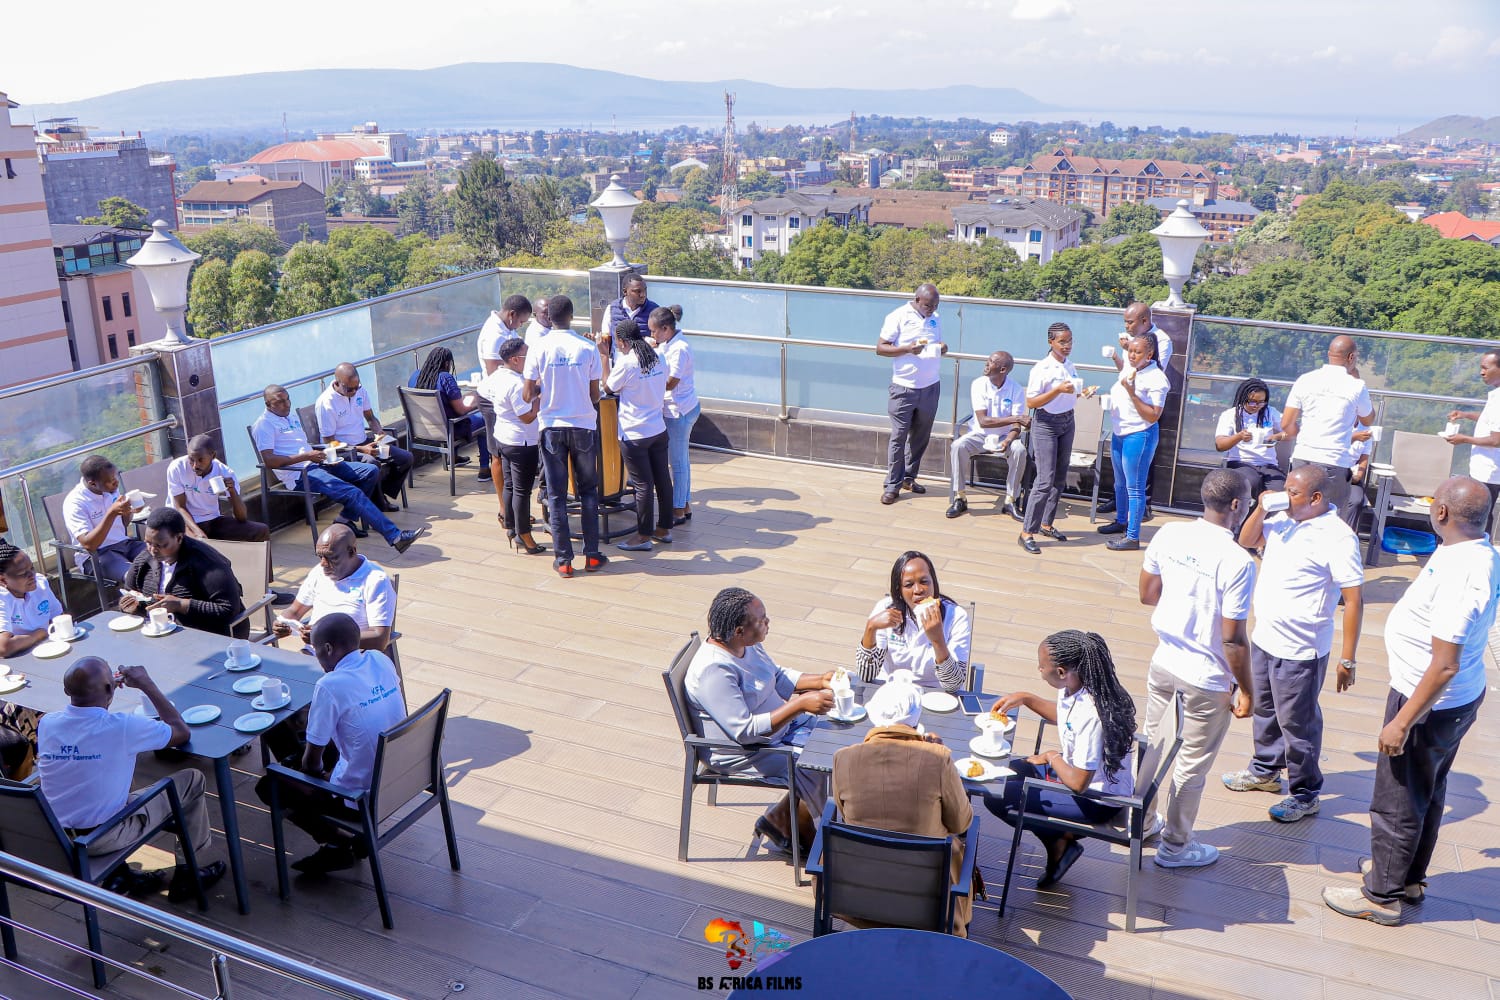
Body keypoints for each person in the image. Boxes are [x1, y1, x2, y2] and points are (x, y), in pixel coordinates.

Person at [1323, 477, 1500, 926]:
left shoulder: (1464, 571)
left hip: (1428, 703)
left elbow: (1445, 664)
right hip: (1446, 701)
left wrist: (1402, 721)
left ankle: (1382, 895)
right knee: (1427, 790)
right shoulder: (1468, 548)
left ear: (1441, 513)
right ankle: (1407, 877)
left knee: (1397, 800)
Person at [1226, 463, 1364, 824]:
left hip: (1302, 649)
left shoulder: (1338, 537)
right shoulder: (1283, 519)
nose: (1285, 497)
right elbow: (1246, 540)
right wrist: (1261, 507)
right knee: (1265, 710)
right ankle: (1265, 770)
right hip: (1265, 638)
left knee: (1298, 725)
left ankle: (1305, 792)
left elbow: (1353, 599)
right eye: (1285, 489)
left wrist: (1348, 659)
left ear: (1316, 498)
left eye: (1293, 492)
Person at [1139, 469, 1256, 868]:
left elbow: (1147, 594)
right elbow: (1233, 640)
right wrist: (1247, 690)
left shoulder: (1169, 533)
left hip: (1164, 662)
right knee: (1191, 765)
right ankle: (1175, 847)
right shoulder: (1238, 561)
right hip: (1206, 678)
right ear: (1237, 505)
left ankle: (1141, 824)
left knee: (1153, 749)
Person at [35, 656, 225, 900]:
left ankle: (120, 875)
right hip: (100, 838)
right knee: (192, 780)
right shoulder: (122, 727)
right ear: (110, 688)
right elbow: (181, 732)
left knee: (105, 773)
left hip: (57, 834)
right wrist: (146, 684)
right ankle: (188, 874)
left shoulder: (48, 723)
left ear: (66, 691)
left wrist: (106, 689)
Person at [254, 614, 407, 875]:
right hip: (400, 777)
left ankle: (336, 842)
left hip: (360, 797)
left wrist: (319, 774)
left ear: (327, 648)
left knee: (271, 785)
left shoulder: (330, 685)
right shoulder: (380, 659)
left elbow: (311, 764)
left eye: (315, 650)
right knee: (312, 745)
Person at [685, 587, 833, 855]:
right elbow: (744, 731)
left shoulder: (745, 645)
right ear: (739, 631)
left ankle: (782, 819)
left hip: (781, 730)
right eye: (761, 620)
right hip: (746, 750)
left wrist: (820, 680)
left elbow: (776, 675)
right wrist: (799, 705)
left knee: (835, 736)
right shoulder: (714, 670)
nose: (768, 622)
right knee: (823, 765)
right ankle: (815, 838)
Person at [983, 631, 1136, 889]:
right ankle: (1059, 839)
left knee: (996, 796)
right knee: (1005, 773)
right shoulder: (1079, 685)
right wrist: (1026, 698)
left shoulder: (1091, 715)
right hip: (1079, 775)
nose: (1039, 669)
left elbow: (1078, 783)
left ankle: (1058, 841)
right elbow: (1065, 718)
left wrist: (1052, 756)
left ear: (1062, 672)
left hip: (1096, 799)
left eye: (1042, 665)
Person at [831, 678, 975, 936]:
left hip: (857, 897)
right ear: (916, 720)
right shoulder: (939, 759)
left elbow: (845, 815)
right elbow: (961, 823)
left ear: (874, 716)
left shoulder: (843, 758)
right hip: (927, 903)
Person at [251, 384, 423, 554]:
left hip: (318, 463)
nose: (286, 404)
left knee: (370, 471)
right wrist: (307, 456)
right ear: (268, 404)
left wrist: (321, 452)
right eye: (280, 402)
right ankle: (395, 537)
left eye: (287, 399)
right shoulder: (264, 425)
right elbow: (270, 461)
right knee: (352, 493)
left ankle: (343, 520)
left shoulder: (290, 417)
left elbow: (301, 446)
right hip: (299, 475)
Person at [523, 296, 607, 578]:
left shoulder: (538, 347)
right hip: (583, 426)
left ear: (548, 317)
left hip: (551, 428)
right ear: (572, 316)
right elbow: (595, 395)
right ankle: (592, 556)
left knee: (557, 495)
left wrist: (544, 389)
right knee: (589, 491)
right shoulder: (587, 347)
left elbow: (527, 393)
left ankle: (563, 561)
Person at [1280, 335, 1374, 528]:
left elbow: (1286, 423)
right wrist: (1356, 380)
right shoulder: (1356, 385)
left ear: (1329, 354)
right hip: (1334, 461)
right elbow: (1368, 419)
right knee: (1331, 522)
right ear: (1351, 357)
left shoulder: (1305, 379)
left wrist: (1301, 433)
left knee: (1294, 514)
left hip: (1303, 456)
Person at [1019, 323, 1097, 555]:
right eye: (1062, 341)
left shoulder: (1070, 365)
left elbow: (1070, 392)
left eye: (1070, 341)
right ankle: (1026, 532)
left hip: (1067, 421)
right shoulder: (1042, 368)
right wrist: (1057, 391)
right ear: (1050, 342)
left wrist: (1082, 393)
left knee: (1059, 477)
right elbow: (1031, 402)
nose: (1067, 346)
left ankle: (1046, 523)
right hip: (1046, 423)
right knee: (1044, 480)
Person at [600, 319, 673, 552]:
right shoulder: (659, 356)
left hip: (634, 434)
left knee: (643, 485)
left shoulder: (627, 363)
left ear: (622, 342)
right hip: (658, 429)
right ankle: (664, 529)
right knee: (662, 479)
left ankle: (643, 536)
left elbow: (608, 387)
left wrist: (604, 357)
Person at [119, 508, 248, 639]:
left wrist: (181, 605)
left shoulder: (207, 563)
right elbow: (131, 593)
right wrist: (131, 606)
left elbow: (228, 610)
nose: (152, 550)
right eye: (148, 543)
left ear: (179, 538)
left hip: (211, 636)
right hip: (162, 634)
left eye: (160, 545)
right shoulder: (144, 560)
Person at [856, 550, 971, 692]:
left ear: (934, 583)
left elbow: (953, 685)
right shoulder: (885, 611)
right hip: (893, 690)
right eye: (909, 584)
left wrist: (938, 641)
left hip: (937, 694)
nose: (918, 590)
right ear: (899, 590)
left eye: (924, 582)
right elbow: (866, 675)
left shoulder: (956, 616)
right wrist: (871, 627)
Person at [1097, 332, 1171, 551]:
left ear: (1149, 354)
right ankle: (1121, 520)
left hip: (1139, 435)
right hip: (1120, 432)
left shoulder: (1157, 379)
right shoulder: (1132, 368)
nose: (1131, 355)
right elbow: (1122, 378)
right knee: (1119, 483)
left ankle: (1132, 537)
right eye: (1130, 351)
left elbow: (1153, 415)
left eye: (1137, 352)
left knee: (1135, 488)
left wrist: (1132, 393)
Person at [273, 523, 396, 654]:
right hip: (314, 653)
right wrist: (282, 622)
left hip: (353, 657)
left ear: (351, 552)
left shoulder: (376, 580)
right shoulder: (318, 572)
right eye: (320, 557)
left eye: (331, 557)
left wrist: (327, 638)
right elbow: (295, 610)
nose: (323, 564)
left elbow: (379, 639)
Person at [876, 283, 946, 505]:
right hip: (903, 387)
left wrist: (941, 348)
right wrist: (907, 348)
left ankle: (908, 477)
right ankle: (892, 485)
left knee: (920, 437)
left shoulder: (936, 318)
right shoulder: (897, 316)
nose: (931, 309)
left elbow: (935, 343)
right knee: (899, 437)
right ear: (917, 300)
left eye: (935, 306)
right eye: (928, 305)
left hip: (930, 386)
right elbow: (880, 348)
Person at [314, 363, 413, 509]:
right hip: (343, 450)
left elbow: (370, 417)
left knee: (405, 458)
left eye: (357, 387)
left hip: (364, 441)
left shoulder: (360, 391)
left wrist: (379, 432)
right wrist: (361, 449)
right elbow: (329, 441)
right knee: (371, 462)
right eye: (350, 389)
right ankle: (379, 502)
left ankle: (379, 493)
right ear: (337, 383)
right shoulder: (326, 403)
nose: (354, 391)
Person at [947, 350, 1029, 520]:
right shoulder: (978, 384)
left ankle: (1010, 501)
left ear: (1002, 369)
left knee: (1020, 451)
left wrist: (1008, 440)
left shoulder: (1015, 389)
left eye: (991, 361)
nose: (986, 363)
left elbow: (1016, 427)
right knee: (957, 446)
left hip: (1005, 436)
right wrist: (1016, 418)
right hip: (979, 435)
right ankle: (960, 497)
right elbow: (983, 421)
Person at [482, 338, 545, 555]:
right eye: (528, 356)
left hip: (503, 438)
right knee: (522, 491)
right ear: (516, 359)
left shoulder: (498, 376)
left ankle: (510, 526)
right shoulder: (517, 384)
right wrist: (539, 401)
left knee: (509, 485)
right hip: (521, 442)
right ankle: (525, 535)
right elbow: (527, 417)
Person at [0, 541, 57, 778]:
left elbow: (59, 619)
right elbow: (4, 647)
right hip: (12, 676)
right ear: (3, 580)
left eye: (32, 568)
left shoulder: (41, 584)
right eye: (23, 574)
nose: (32, 576)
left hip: (48, 662)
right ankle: (29, 772)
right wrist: (39, 634)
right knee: (21, 711)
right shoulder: (2, 598)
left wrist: (35, 637)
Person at [167, 434, 270, 542]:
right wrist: (197, 532)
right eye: (191, 459)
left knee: (261, 530)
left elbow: (242, 517)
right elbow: (180, 507)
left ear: (213, 455)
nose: (195, 465)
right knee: (200, 544)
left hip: (212, 520)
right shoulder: (177, 468)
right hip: (183, 521)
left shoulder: (225, 472)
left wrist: (232, 491)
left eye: (200, 460)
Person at [409, 346, 491, 482]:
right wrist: (476, 403)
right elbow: (461, 410)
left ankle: (453, 458)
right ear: (447, 363)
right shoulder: (445, 378)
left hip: (422, 429)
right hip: (448, 430)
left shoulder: (415, 376)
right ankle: (484, 469)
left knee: (449, 413)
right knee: (483, 419)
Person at [62, 455, 146, 580]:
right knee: (135, 576)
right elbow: (89, 545)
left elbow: (122, 525)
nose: (116, 482)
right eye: (111, 480)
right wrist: (111, 514)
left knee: (164, 557)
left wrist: (129, 511)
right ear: (93, 484)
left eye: (115, 477)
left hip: (124, 544)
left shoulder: (110, 489)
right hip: (96, 555)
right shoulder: (75, 503)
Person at [652, 305, 700, 526]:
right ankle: (685, 504)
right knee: (682, 461)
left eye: (654, 331)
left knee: (678, 463)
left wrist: (649, 384)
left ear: (666, 328)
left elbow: (671, 382)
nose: (652, 335)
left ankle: (678, 509)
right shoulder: (669, 343)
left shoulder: (679, 348)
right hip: (683, 407)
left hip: (678, 411)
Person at [1441, 349, 1500, 526]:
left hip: (1489, 472)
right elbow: (1490, 420)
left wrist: (1464, 439)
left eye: (1485, 368)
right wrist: (1465, 415)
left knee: (1479, 519)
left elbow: (1497, 440)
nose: (1481, 372)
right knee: (1478, 516)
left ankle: (1480, 543)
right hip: (1484, 469)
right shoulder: (1496, 395)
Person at [1214, 377, 1288, 501]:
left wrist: (1278, 436)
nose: (1257, 406)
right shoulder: (1230, 415)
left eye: (1261, 402)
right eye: (1253, 402)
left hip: (1269, 464)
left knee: (1279, 491)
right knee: (1250, 484)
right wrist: (1238, 437)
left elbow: (1290, 431)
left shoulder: (1270, 412)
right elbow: (1220, 445)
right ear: (1243, 398)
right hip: (1241, 463)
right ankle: (1247, 514)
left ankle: (1267, 514)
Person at [477, 295, 533, 375]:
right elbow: (493, 374)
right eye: (521, 322)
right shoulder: (494, 335)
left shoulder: (508, 326)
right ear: (512, 314)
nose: (521, 325)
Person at [599, 275, 657, 350]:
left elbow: (661, 341)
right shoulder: (612, 309)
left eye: (645, 290)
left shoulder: (654, 311)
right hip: (618, 357)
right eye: (638, 291)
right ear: (625, 291)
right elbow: (606, 339)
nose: (643, 295)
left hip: (644, 357)